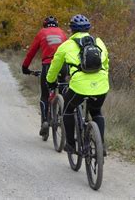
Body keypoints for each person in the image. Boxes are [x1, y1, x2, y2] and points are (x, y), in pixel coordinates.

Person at [46, 14, 109, 155]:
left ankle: (70, 144)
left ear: (71, 30)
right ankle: (101, 146)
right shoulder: (99, 42)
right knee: (96, 111)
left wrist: (50, 81)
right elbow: (106, 63)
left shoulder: (66, 45)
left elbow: (55, 67)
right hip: (101, 85)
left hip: (79, 87)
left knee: (68, 110)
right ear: (88, 29)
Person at [22, 16, 67, 137]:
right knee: (64, 90)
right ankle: (66, 117)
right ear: (56, 24)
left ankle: (45, 122)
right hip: (63, 66)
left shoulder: (42, 33)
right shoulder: (62, 32)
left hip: (48, 66)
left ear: (45, 25)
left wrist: (25, 67)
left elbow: (31, 52)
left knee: (45, 95)